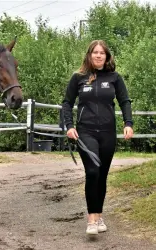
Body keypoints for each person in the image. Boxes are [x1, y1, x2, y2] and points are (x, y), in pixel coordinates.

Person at [62, 40, 134, 235]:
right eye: (95, 52)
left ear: (107, 56)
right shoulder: (78, 77)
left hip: (108, 133)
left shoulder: (114, 78)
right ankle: (91, 219)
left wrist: (128, 123)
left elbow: (125, 101)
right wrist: (69, 126)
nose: (99, 55)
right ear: (89, 55)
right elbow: (67, 103)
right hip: (85, 132)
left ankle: (99, 215)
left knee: (101, 175)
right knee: (92, 171)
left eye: (102, 53)